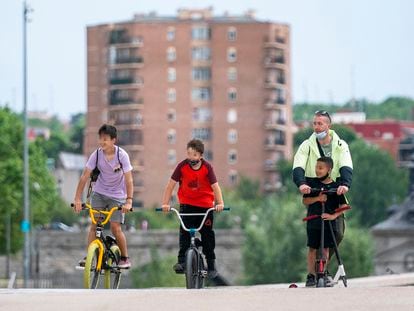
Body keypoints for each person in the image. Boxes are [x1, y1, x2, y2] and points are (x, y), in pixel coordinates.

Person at [161, 139, 225, 278]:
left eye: (194, 155)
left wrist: (220, 203)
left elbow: (215, 187)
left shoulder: (207, 168)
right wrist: (165, 204)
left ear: (201, 155)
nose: (191, 158)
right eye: (189, 154)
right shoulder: (182, 166)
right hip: (187, 205)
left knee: (207, 235)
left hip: (205, 207)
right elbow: (170, 185)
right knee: (184, 233)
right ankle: (182, 262)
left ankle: (211, 264)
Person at [73, 124, 134, 269]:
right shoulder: (97, 154)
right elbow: (85, 176)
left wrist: (129, 201)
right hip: (99, 193)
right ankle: (90, 256)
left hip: (117, 196)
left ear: (114, 140)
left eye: (105, 139)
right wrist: (77, 199)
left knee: (115, 227)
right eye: (100, 139)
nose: (102, 142)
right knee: (94, 225)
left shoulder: (122, 155)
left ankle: (124, 258)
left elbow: (129, 179)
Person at [293, 110, 353, 246]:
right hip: (314, 191)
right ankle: (314, 267)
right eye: (314, 123)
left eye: (320, 123)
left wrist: (345, 184)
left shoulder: (341, 145)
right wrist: (301, 183)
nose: (316, 127)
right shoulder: (306, 146)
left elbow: (346, 165)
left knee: (338, 234)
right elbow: (298, 166)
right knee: (313, 243)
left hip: (334, 191)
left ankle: (324, 262)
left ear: (328, 126)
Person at [302, 157, 348, 287]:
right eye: (316, 167)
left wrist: (334, 216)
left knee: (325, 249)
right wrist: (317, 198)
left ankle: (322, 272)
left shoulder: (336, 187)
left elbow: (344, 206)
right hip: (314, 220)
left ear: (329, 169)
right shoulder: (312, 185)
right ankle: (311, 275)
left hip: (328, 222)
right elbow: (305, 201)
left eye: (321, 168)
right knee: (312, 248)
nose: (317, 170)